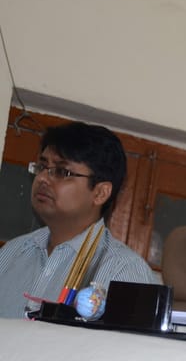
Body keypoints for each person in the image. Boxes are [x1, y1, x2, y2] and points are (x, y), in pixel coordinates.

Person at [0, 121, 158, 318]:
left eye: (62, 172)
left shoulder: (125, 272)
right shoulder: (12, 253)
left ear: (100, 193)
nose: (42, 178)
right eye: (42, 167)